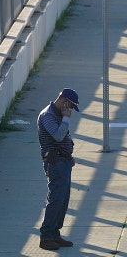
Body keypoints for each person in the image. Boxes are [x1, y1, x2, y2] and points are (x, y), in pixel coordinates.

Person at [36, 88, 79, 250]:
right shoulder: (47, 115)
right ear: (64, 101)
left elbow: (64, 138)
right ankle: (46, 236)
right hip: (55, 162)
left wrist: (69, 155)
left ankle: (54, 233)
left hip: (63, 161)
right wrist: (66, 118)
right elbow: (58, 135)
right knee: (55, 199)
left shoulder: (58, 114)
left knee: (63, 199)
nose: (71, 110)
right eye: (71, 106)